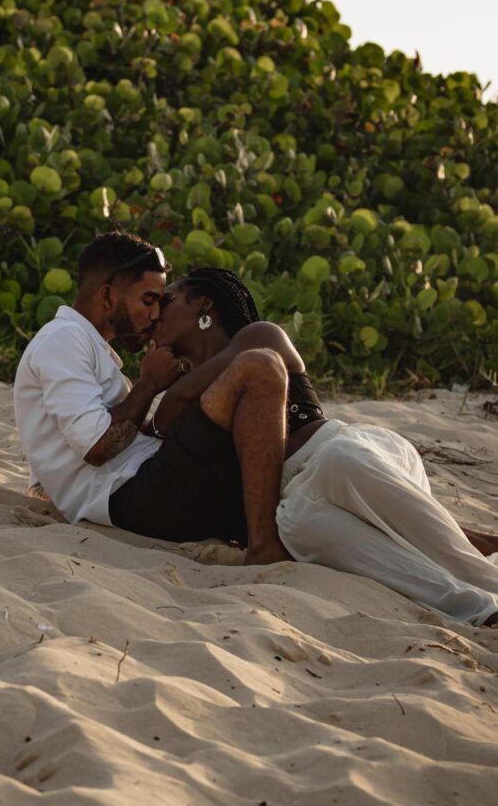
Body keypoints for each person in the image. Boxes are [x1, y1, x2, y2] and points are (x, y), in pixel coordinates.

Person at [148, 266, 498, 627]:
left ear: (205, 304)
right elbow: (160, 433)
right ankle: (474, 606)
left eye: (167, 299)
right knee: (300, 525)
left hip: (343, 451)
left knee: (338, 463)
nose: (155, 312)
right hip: (294, 495)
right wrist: (148, 383)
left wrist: (157, 384)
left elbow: (178, 399)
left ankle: (486, 578)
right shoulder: (189, 388)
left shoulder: (259, 335)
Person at [13, 231, 290, 565]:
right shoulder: (63, 339)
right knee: (260, 365)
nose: (156, 314)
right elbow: (96, 447)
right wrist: (149, 385)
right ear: (107, 296)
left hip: (146, 487)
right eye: (148, 300)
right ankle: (263, 549)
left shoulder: (84, 346)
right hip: (139, 494)